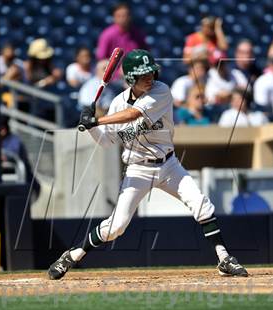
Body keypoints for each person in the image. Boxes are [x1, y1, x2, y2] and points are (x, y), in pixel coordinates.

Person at [48, 49, 248, 280]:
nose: (150, 78)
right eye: (143, 75)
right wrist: (93, 128)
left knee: (201, 204)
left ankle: (224, 258)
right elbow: (106, 141)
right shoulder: (116, 103)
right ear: (131, 78)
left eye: (151, 72)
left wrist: (97, 119)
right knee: (116, 227)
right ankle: (72, 255)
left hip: (169, 164)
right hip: (137, 169)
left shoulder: (161, 91)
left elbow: (133, 114)